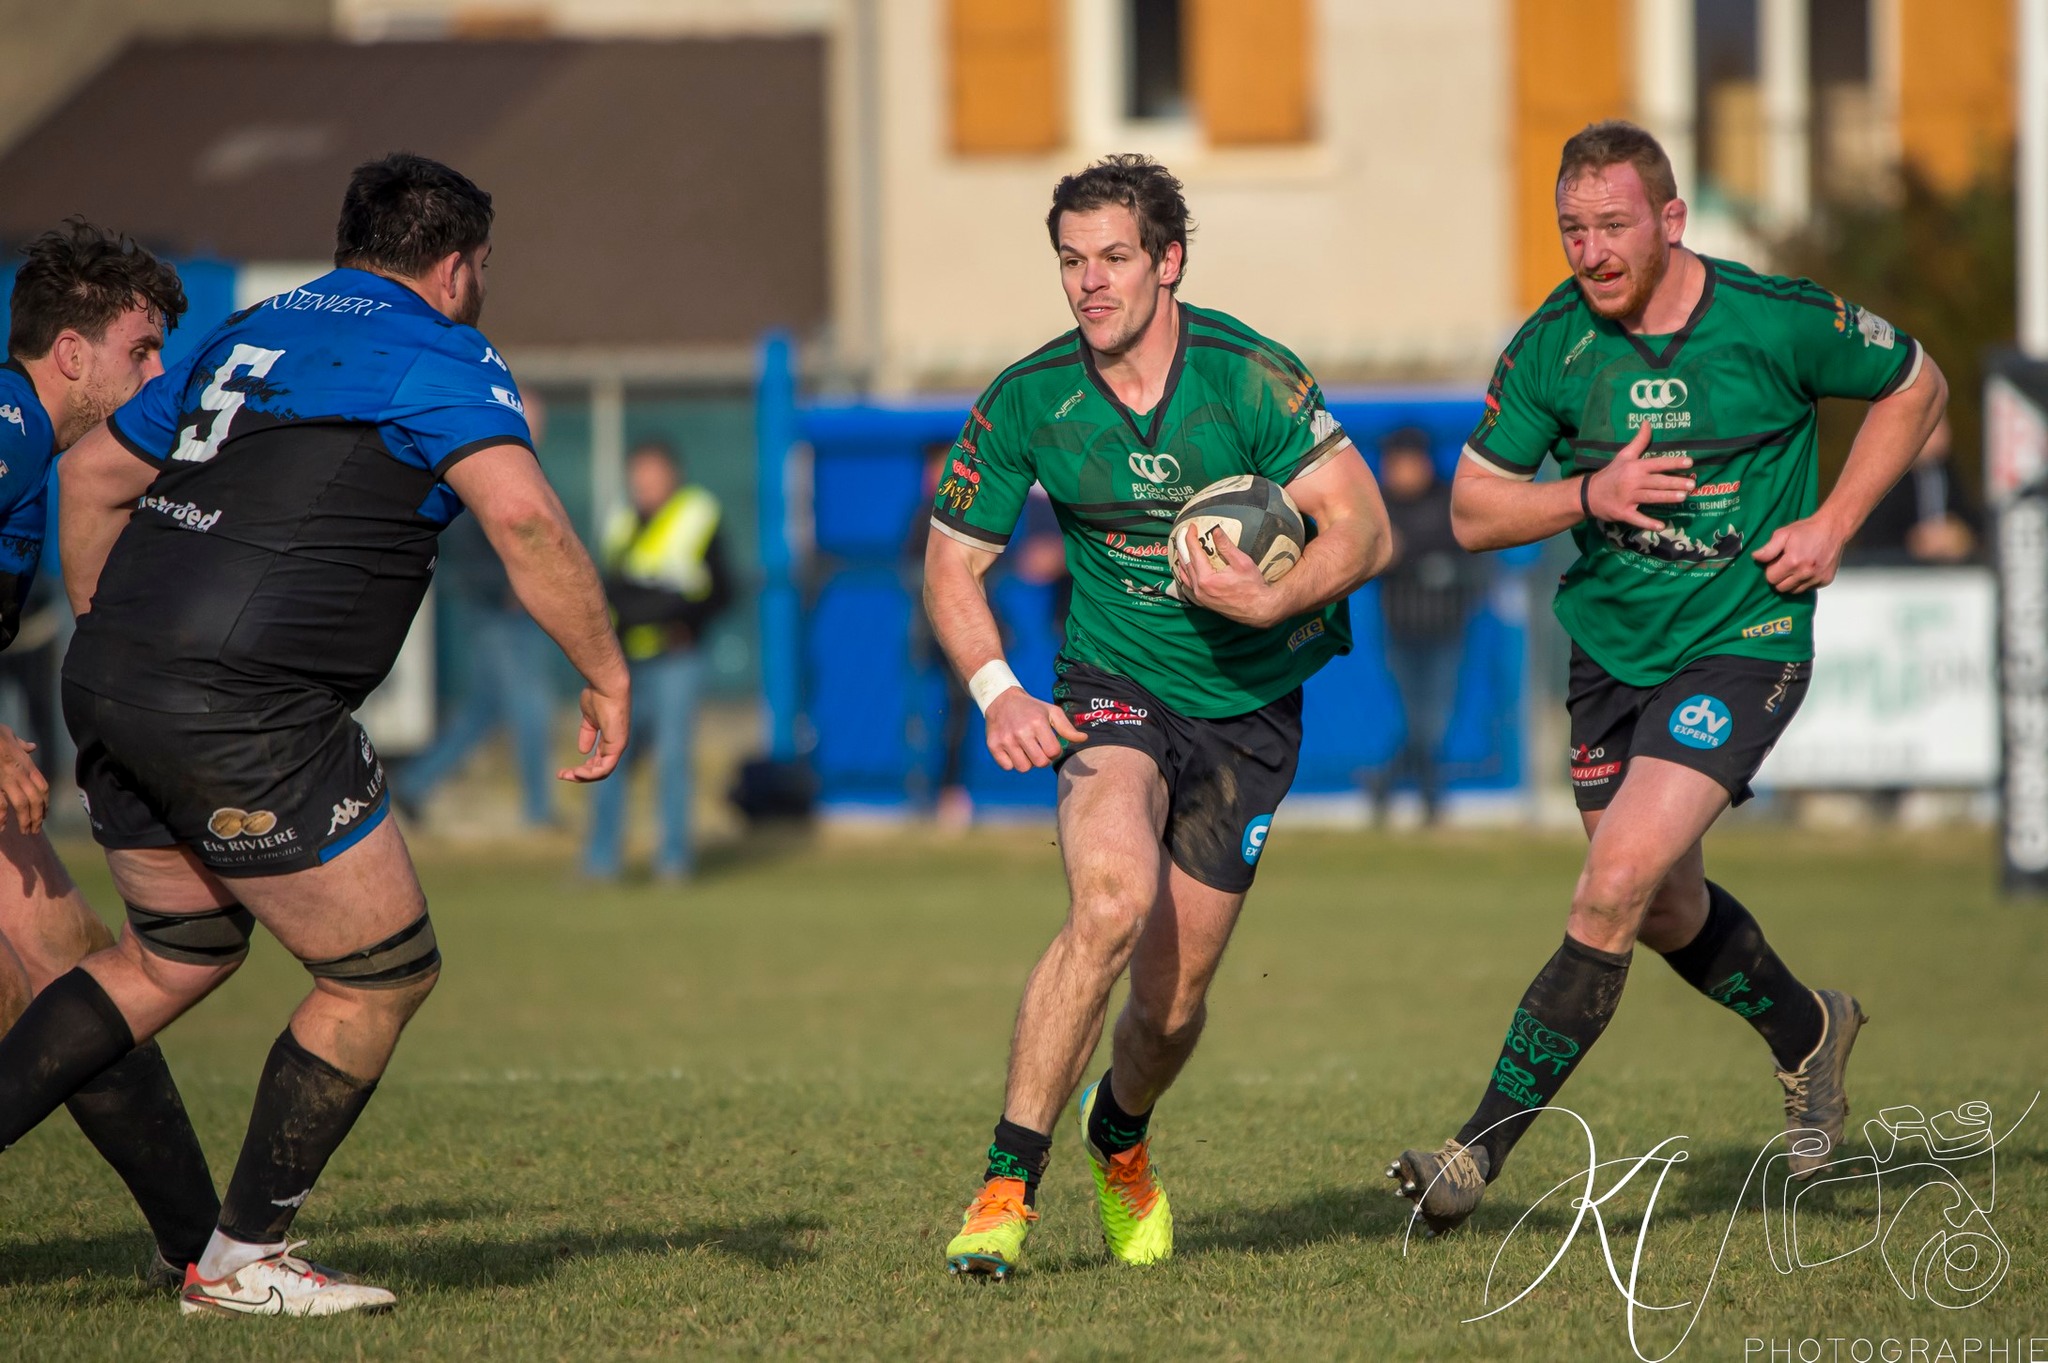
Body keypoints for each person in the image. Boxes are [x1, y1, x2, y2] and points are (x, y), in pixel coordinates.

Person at [2, 153, 630, 1316]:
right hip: (247, 702)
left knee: (171, 955)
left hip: (112, 680)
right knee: (380, 972)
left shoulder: (253, 326)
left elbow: (90, 476)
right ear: (456, 268)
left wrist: (115, 641)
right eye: (481, 269)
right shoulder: (439, 348)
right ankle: (241, 1262)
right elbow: (527, 519)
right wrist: (603, 671)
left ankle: (223, 1252)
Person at [1388, 121, 1947, 1235]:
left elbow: (1916, 384)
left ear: (1669, 219)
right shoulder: (1551, 345)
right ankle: (1806, 1029)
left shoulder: (1772, 319)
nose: (1588, 252)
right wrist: (1587, 497)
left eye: (1609, 226)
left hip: (1742, 638)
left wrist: (1833, 521)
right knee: (1660, 903)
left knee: (1611, 883)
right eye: (1569, 230)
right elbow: (1472, 506)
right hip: (1608, 652)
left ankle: (1472, 1155)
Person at [925, 154, 1390, 1277]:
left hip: (1245, 712)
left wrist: (1271, 593)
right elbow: (949, 564)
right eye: (1071, 261)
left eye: (1114, 257)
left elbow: (1365, 532)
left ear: (1167, 261)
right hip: (1110, 690)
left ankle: (1118, 1137)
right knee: (1109, 902)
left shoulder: (1248, 378)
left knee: (1170, 1008)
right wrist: (998, 693)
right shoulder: (1030, 395)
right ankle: (1003, 1187)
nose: (1089, 282)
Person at [0, 220, 225, 1288]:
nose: (157, 371)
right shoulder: (5, 425)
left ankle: (203, 1250)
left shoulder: (46, 454)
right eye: (141, 348)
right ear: (72, 353)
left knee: (72, 970)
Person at [395, 388, 560, 828]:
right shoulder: (489, 465)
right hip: (501, 613)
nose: (534, 428)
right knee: (531, 706)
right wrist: (503, 591)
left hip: (509, 607)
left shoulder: (520, 464)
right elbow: (469, 542)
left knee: (484, 710)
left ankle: (415, 783)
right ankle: (539, 810)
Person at [582, 439, 730, 881]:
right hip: (624, 662)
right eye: (638, 476)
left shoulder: (698, 514)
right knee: (609, 759)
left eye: (653, 475)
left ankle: (673, 861)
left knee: (672, 759)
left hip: (674, 660)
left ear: (672, 476)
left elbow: (722, 588)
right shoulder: (621, 522)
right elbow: (609, 589)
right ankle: (601, 861)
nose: (644, 484)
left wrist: (687, 623)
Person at [1369, 426, 1487, 825]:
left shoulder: (1447, 501)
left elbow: (1476, 559)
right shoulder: (1379, 505)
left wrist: (1424, 562)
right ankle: (1425, 798)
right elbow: (1375, 556)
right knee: (1418, 719)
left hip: (1446, 629)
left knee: (1432, 720)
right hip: (1401, 628)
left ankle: (1394, 786)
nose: (1397, 471)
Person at [1847, 415, 1976, 564]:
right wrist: (1915, 542)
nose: (1941, 433)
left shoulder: (1947, 472)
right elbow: (1873, 538)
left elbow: (1971, 521)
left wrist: (1961, 535)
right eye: (1933, 426)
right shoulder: (1887, 477)